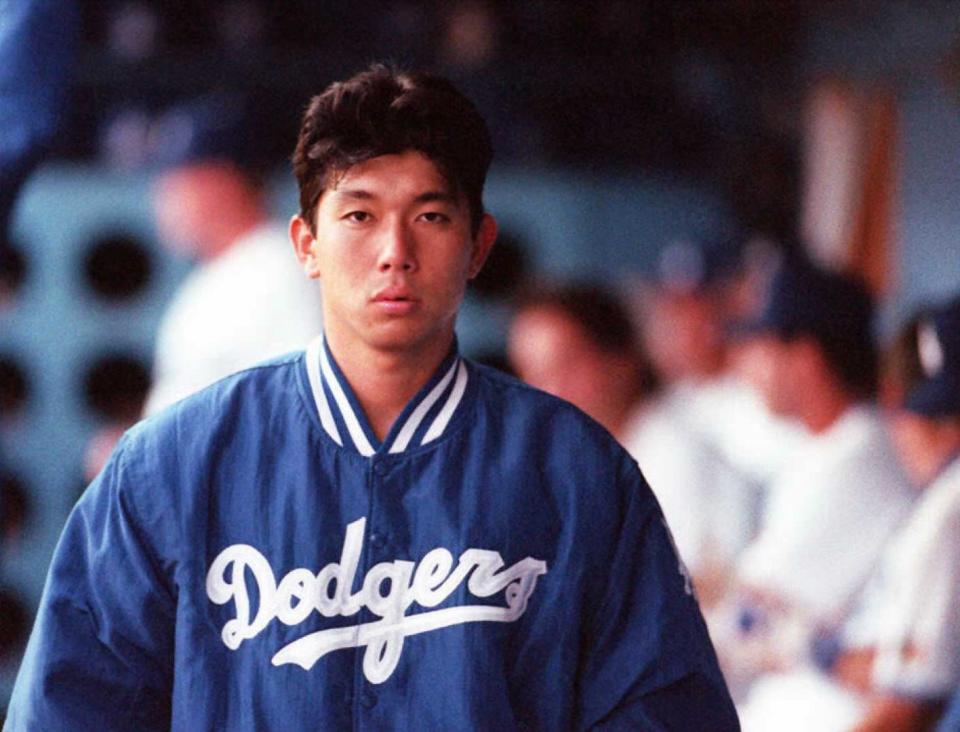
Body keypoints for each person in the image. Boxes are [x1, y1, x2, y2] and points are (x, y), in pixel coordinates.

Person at [5, 65, 738, 730]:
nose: (394, 250)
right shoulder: (167, 469)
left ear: (479, 244)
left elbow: (665, 713)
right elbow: (69, 712)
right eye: (358, 215)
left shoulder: (578, 473)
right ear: (305, 244)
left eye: (430, 215)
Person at [739, 294, 960, 730]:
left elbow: (909, 708)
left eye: (943, 416)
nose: (936, 433)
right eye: (931, 415)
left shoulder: (947, 511)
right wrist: (828, 652)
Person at [718, 258, 914, 696]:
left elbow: (743, 621)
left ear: (805, 357)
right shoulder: (825, 445)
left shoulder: (860, 457)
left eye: (759, 345)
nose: (744, 364)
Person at [507, 283, 749, 603]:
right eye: (533, 373)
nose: (550, 390)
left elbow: (694, 591)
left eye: (566, 365)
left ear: (620, 358)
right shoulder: (577, 468)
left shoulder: (675, 452)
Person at [142, 93, 323, 415]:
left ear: (223, 182)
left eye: (181, 182)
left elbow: (296, 409)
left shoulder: (278, 271)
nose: (163, 198)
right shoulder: (225, 270)